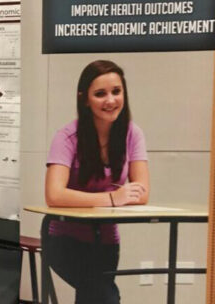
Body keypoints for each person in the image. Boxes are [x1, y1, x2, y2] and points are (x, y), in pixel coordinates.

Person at [44, 60, 149, 304]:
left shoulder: (133, 134)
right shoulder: (67, 137)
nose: (110, 100)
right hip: (64, 240)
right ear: (84, 99)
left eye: (116, 91)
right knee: (104, 296)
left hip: (107, 243)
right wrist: (112, 197)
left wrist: (120, 196)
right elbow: (54, 195)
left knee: (95, 296)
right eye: (100, 94)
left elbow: (142, 192)